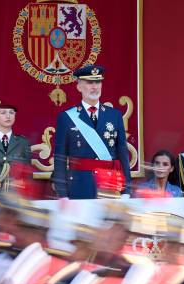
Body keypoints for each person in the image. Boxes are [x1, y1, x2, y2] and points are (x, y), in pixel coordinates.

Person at [51, 64, 131, 199]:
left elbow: (122, 153)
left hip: (109, 185)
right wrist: (62, 194)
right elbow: (60, 158)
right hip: (79, 186)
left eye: (98, 81)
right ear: (79, 86)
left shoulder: (114, 115)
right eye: (89, 82)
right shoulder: (66, 117)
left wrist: (126, 190)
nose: (94, 86)